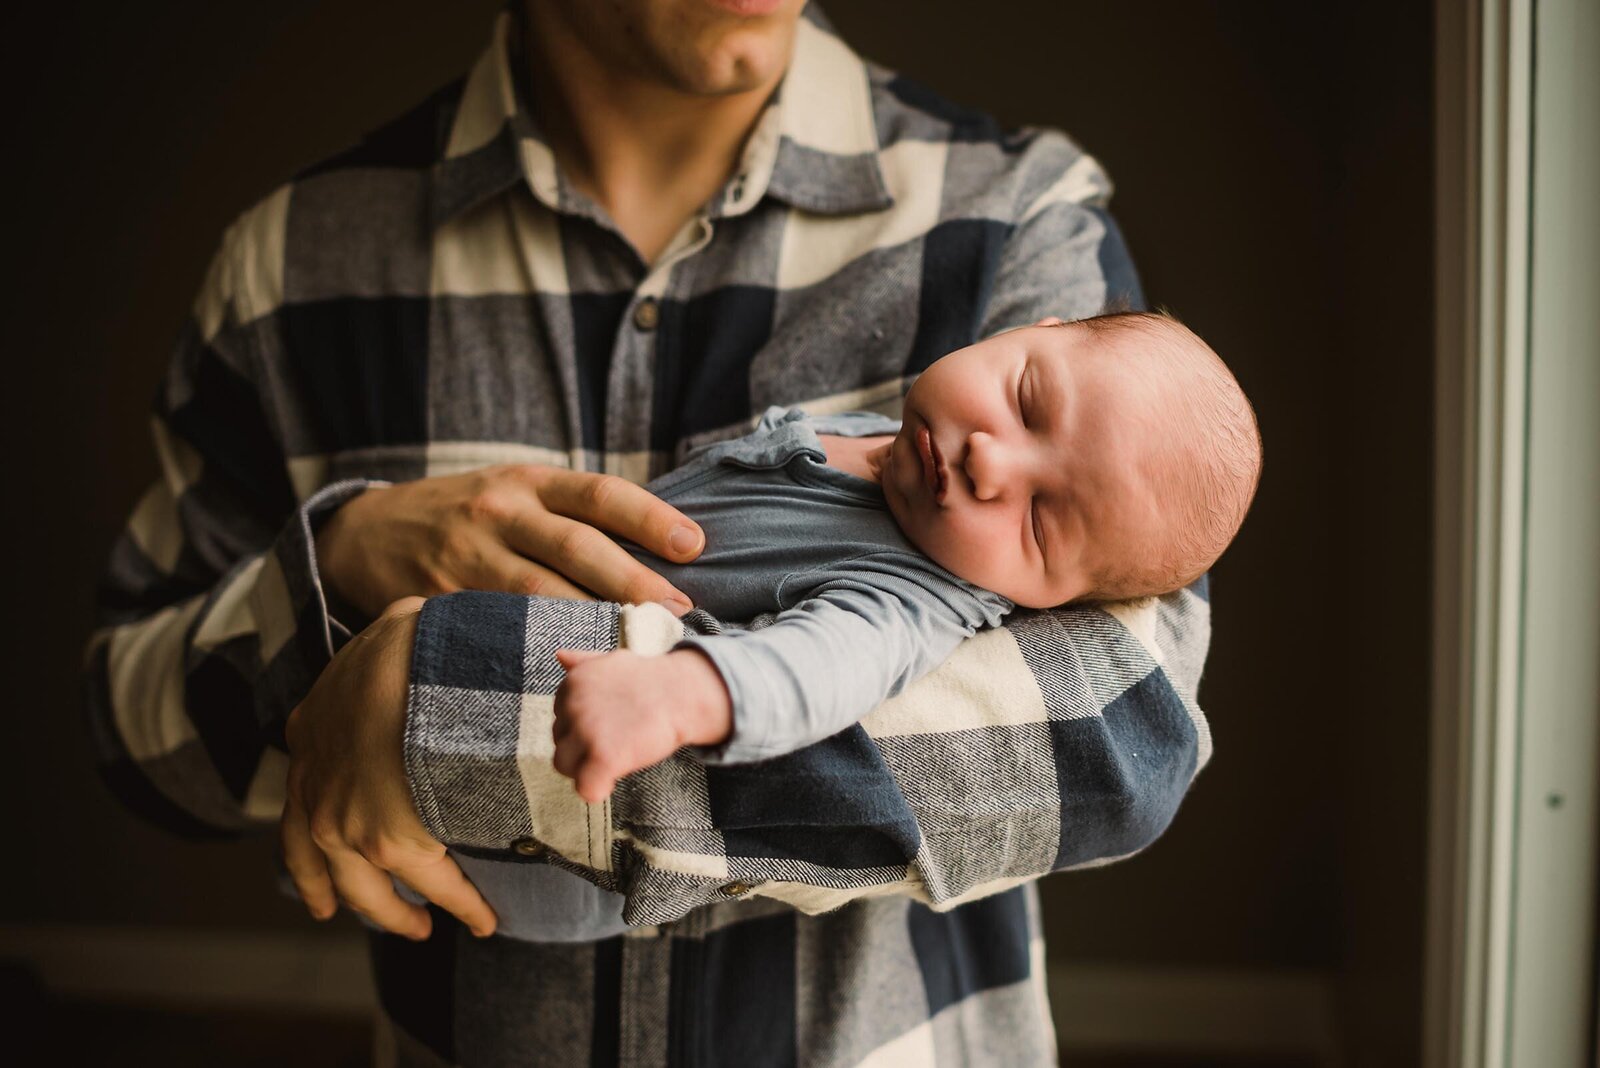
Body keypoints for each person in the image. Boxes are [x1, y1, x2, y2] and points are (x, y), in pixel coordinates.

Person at [84, 2, 1214, 1063]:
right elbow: (127, 730)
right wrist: (329, 571)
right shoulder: (292, 267)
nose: (984, 461)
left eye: (1038, 509)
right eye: (1011, 408)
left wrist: (439, 699)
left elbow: (1116, 736)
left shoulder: (1018, 218)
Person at [552, 312, 1259, 806]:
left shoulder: (912, 596)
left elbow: (823, 667)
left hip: (571, 778)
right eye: (1026, 400)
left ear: (1048, 603)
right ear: (1034, 330)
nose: (989, 460)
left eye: (1040, 520)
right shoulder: (884, 439)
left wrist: (677, 697)